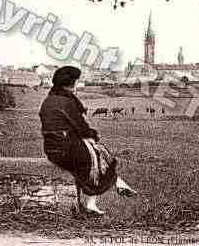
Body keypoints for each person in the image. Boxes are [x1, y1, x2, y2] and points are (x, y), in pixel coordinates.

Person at [39, 66, 137, 216]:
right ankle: (96, 201)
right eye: (76, 82)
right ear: (72, 84)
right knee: (98, 155)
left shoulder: (48, 101)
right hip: (67, 149)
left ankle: (117, 183)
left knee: (96, 152)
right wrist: (92, 137)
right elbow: (82, 128)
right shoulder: (67, 102)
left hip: (51, 148)